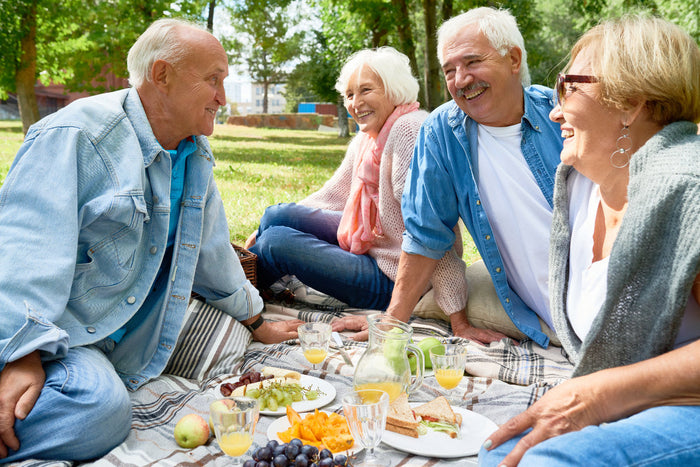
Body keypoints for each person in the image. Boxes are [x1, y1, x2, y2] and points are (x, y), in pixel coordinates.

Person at [0, 19, 300, 462]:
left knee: (97, 405)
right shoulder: (79, 136)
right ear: (162, 76)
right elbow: (25, 247)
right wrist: (21, 352)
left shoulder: (193, 152)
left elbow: (213, 252)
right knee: (99, 410)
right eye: (213, 80)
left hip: (104, 347)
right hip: (50, 336)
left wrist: (256, 321)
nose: (222, 97)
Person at [480, 15, 700, 466]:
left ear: (631, 103)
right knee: (495, 453)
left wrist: (598, 396)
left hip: (687, 404)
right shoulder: (579, 188)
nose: (555, 110)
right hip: (637, 403)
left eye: (568, 88)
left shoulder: (687, 190)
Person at [334, 7, 563, 345]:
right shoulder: (442, 132)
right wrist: (392, 322)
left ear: (514, 60)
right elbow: (427, 234)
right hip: (557, 310)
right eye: (450, 70)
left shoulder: (564, 114)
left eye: (472, 63)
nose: (461, 80)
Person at [246, 47, 466, 313]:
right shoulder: (369, 137)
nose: (354, 102)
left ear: (393, 89)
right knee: (275, 216)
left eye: (365, 91)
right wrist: (263, 227)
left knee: (275, 243)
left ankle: (238, 295)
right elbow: (333, 196)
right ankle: (250, 279)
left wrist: (455, 309)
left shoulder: (409, 130)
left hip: (396, 280)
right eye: (349, 94)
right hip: (375, 243)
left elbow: (431, 230)